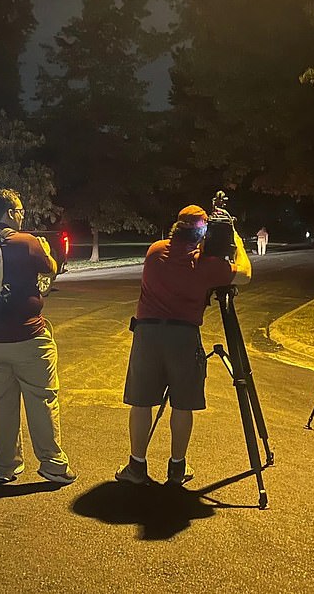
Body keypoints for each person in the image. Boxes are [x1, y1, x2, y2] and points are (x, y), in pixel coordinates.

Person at [115, 205, 252, 486]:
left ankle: (136, 466)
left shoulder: (155, 251)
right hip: (184, 337)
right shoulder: (206, 264)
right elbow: (246, 274)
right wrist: (235, 238)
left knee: (141, 403)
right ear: (202, 232)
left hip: (147, 335)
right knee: (182, 405)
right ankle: (177, 468)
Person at [0, 189, 75, 485]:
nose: (22, 217)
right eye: (20, 212)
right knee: (41, 399)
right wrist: (44, 247)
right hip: (27, 336)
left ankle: (5, 467)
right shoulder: (27, 242)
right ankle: (53, 464)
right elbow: (52, 269)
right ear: (10, 213)